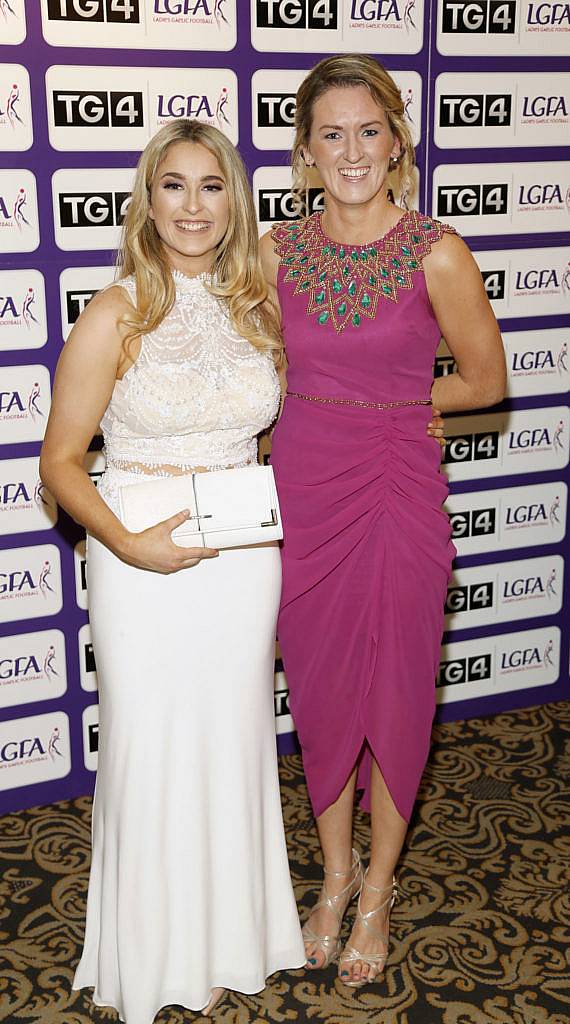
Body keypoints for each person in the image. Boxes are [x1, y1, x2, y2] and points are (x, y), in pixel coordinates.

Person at [40, 119, 306, 1023]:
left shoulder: (257, 304)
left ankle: (235, 937)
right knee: (151, 750)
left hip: (240, 562)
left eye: (213, 186)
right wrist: (126, 544)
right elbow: (63, 463)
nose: (194, 207)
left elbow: (262, 433)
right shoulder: (115, 312)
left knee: (233, 741)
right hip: (140, 561)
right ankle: (150, 960)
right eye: (174, 186)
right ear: (147, 200)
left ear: (236, 200)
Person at [260, 54, 506, 989]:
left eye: (370, 130)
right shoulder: (277, 251)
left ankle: (376, 896)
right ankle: (333, 878)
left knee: (398, 684)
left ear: (397, 140)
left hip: (399, 488)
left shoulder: (438, 249)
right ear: (307, 152)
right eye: (332, 134)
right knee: (321, 693)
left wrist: (400, 400)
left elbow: (486, 382)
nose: (352, 150)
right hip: (305, 494)